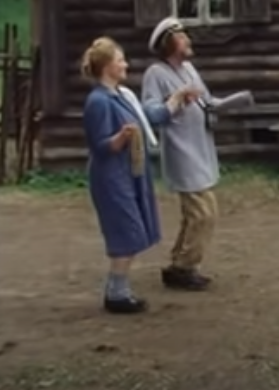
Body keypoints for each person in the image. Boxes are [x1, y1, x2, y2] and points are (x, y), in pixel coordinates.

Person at [81, 37, 196, 314]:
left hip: (129, 172)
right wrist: (121, 138)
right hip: (111, 177)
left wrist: (175, 101)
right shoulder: (98, 102)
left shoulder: (121, 95)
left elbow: (148, 118)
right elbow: (99, 145)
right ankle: (116, 294)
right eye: (120, 60)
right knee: (126, 230)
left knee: (133, 229)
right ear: (107, 66)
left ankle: (117, 290)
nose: (125, 65)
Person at [142, 17, 222, 293]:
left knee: (197, 214)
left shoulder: (189, 69)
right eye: (182, 36)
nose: (188, 40)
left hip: (201, 148)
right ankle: (184, 267)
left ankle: (179, 265)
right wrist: (176, 99)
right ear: (169, 43)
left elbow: (207, 101)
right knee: (203, 214)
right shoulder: (156, 73)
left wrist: (230, 104)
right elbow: (151, 113)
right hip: (182, 152)